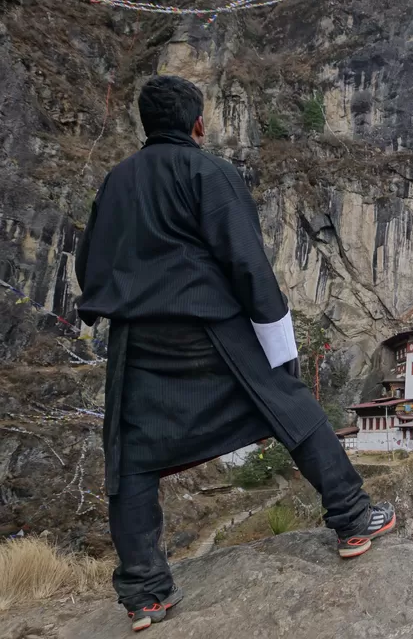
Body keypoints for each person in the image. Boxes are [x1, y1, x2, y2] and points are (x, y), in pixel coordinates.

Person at [75, 75, 395, 633]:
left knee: (131, 458)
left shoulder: (116, 182)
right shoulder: (209, 172)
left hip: (137, 338)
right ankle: (353, 518)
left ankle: (145, 595)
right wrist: (280, 348)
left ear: (146, 124)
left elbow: (88, 266)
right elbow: (247, 263)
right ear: (198, 124)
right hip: (211, 326)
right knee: (292, 408)